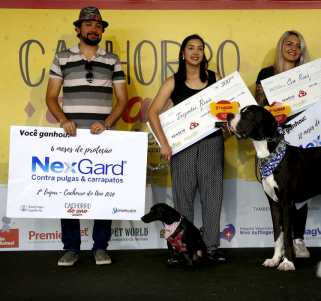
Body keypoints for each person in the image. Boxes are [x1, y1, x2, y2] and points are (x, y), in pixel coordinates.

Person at [46, 7, 128, 266]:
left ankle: (100, 247)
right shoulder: (61, 58)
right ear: (78, 29)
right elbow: (50, 97)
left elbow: (123, 100)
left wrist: (106, 123)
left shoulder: (113, 60)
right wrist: (63, 120)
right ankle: (71, 248)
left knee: (103, 193)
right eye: (88, 25)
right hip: (71, 139)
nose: (93, 29)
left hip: (102, 137)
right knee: (69, 194)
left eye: (98, 26)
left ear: (102, 30)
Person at [147, 34, 226, 261]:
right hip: (182, 147)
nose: (195, 52)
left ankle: (211, 247)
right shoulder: (173, 81)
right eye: (190, 48)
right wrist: (164, 143)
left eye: (200, 48)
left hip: (212, 143)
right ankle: (184, 248)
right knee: (183, 199)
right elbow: (153, 112)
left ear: (203, 53)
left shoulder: (215, 78)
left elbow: (228, 108)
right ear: (183, 53)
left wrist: (227, 125)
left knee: (213, 196)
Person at [255, 30, 311, 258]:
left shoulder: (307, 74)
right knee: (275, 191)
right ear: (281, 47)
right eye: (289, 44)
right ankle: (280, 243)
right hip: (273, 140)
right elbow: (258, 106)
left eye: (298, 46)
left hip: (300, 134)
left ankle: (298, 240)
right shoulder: (266, 73)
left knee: (299, 190)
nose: (293, 49)